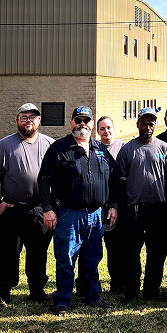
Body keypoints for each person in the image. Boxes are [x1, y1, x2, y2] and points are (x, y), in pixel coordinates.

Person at [39, 106, 116, 314]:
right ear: (71, 123)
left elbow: (115, 178)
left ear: (92, 124)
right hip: (68, 214)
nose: (82, 124)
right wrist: (48, 209)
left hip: (96, 214)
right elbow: (43, 180)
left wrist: (113, 206)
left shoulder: (100, 148)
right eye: (78, 120)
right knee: (66, 258)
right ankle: (63, 299)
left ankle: (92, 295)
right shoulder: (59, 148)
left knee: (92, 257)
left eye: (86, 120)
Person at [0, 103, 57, 307]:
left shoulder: (50, 145)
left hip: (40, 209)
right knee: (9, 252)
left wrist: (51, 207)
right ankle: (4, 293)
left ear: (39, 121)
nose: (28, 121)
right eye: (24, 117)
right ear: (16, 121)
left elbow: (58, 177)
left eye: (32, 117)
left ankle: (36, 290)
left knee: (38, 252)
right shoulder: (4, 145)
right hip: (12, 210)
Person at [114, 107, 167, 301]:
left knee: (157, 255)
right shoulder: (128, 149)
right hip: (134, 211)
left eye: (151, 123)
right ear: (138, 125)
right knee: (131, 254)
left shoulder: (164, 148)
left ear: (155, 125)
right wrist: (124, 210)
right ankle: (132, 291)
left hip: (158, 210)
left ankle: (151, 292)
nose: (147, 127)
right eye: (143, 123)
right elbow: (121, 182)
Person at [96, 116, 127, 294]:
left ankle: (121, 282)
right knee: (108, 246)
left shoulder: (123, 148)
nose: (106, 132)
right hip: (102, 204)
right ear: (98, 131)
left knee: (120, 246)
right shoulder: (94, 148)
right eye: (102, 129)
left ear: (114, 129)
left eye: (109, 128)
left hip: (121, 205)